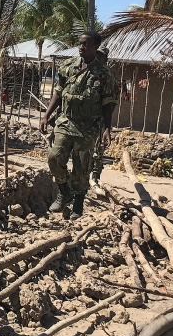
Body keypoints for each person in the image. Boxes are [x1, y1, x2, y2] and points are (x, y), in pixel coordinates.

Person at [39, 32, 116, 219]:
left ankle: (79, 203)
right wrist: (46, 115)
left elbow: (108, 104)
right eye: (80, 44)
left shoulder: (104, 74)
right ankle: (64, 190)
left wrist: (107, 128)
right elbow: (58, 93)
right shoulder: (68, 66)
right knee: (54, 156)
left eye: (86, 44)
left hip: (88, 126)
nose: (81, 47)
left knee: (82, 166)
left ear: (96, 46)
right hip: (66, 121)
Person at [90, 46, 111, 187]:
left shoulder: (108, 77)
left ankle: (95, 178)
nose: (97, 58)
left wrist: (107, 127)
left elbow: (109, 105)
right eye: (96, 55)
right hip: (85, 122)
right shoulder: (87, 73)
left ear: (105, 59)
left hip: (100, 122)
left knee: (98, 152)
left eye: (100, 56)